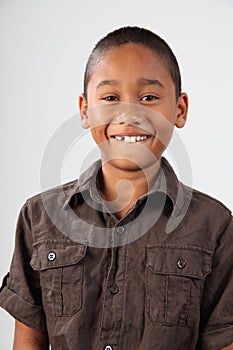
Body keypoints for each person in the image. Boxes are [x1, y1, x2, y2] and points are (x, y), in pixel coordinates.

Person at [0, 26, 232, 350]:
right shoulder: (39, 218)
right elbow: (28, 342)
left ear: (179, 110)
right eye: (110, 98)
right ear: (84, 109)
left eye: (149, 97)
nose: (129, 114)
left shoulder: (215, 227)